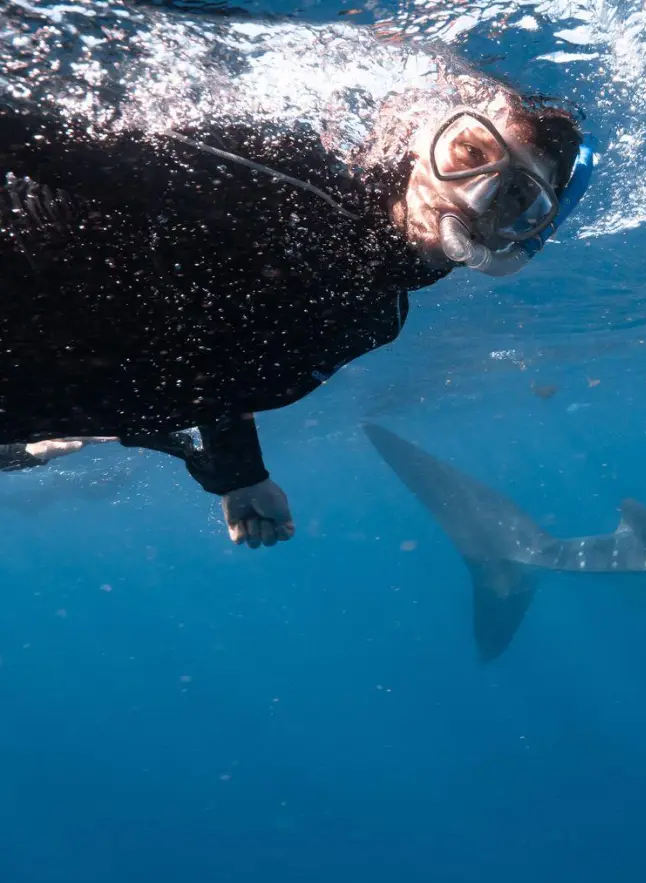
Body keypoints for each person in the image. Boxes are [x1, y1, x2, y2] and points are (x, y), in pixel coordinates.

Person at [0, 1, 596, 549]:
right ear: (424, 139)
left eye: (516, 199)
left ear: (521, 238)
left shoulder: (375, 318)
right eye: (470, 153)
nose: (475, 195)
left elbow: (212, 353)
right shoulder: (274, 179)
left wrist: (238, 475)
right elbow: (40, 141)